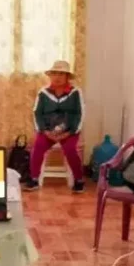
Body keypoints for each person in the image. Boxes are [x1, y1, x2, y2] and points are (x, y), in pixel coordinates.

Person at [23, 60, 85, 193]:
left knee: (70, 149)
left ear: (67, 77)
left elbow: (80, 114)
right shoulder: (43, 93)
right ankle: (34, 179)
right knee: (37, 147)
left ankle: (79, 180)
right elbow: (37, 113)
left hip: (69, 131)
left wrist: (69, 132)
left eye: (61, 74)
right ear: (50, 76)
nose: (57, 77)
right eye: (54, 74)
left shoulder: (75, 92)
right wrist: (45, 131)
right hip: (48, 131)